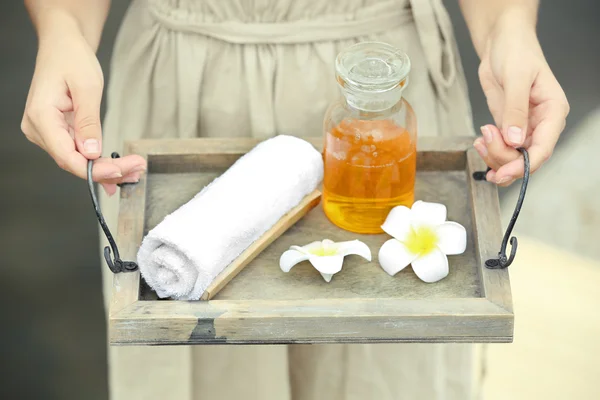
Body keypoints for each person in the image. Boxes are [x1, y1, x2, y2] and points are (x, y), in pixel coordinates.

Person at [21, 0, 569, 399]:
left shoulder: (397, 123)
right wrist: (63, 31)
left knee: (392, 375)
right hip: (186, 76)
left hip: (383, 46)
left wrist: (508, 28)